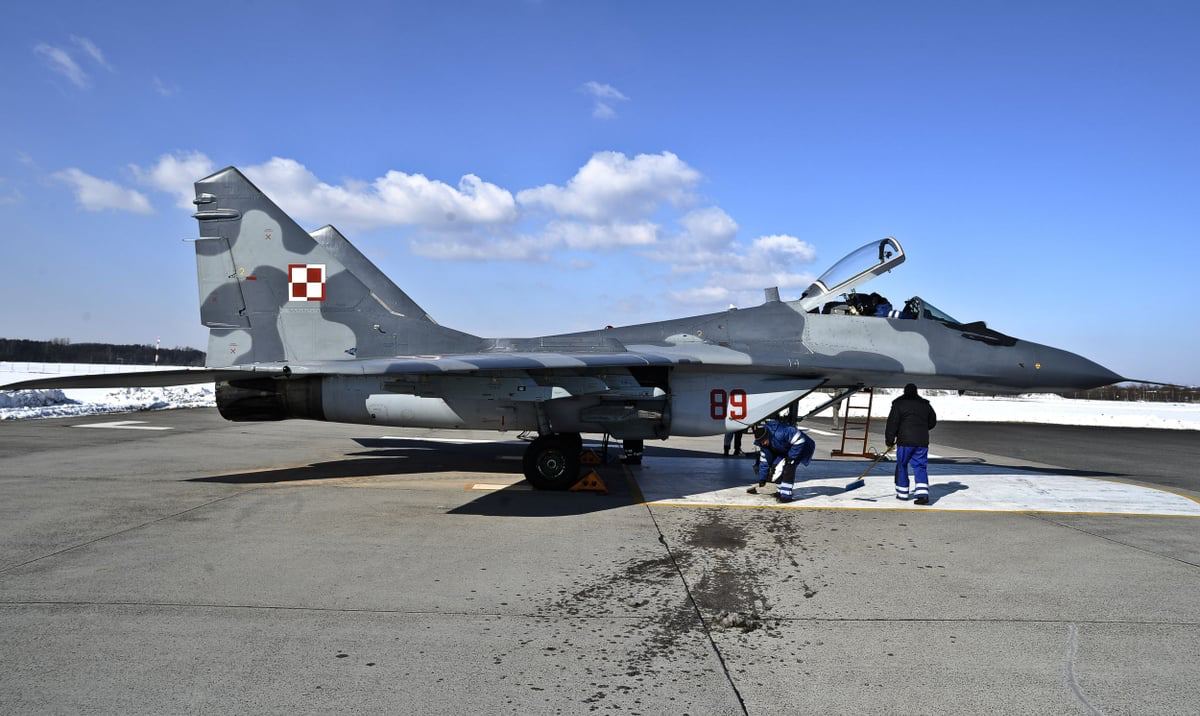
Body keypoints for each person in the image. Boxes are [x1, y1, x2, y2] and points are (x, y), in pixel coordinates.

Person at [885, 383, 938, 505]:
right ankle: (923, 495)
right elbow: (932, 421)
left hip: (905, 442)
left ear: (905, 392)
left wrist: (889, 441)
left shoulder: (899, 404)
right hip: (922, 442)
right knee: (920, 467)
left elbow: (892, 423)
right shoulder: (925, 404)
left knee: (902, 465)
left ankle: (902, 493)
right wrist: (922, 429)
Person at [746, 419, 816, 502]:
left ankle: (786, 496)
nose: (763, 443)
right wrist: (762, 478)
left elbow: (800, 440)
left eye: (764, 441)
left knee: (788, 469)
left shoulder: (781, 433)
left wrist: (791, 457)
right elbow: (764, 462)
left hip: (800, 447)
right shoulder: (764, 445)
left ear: (768, 436)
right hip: (785, 449)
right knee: (775, 467)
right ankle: (780, 492)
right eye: (761, 442)